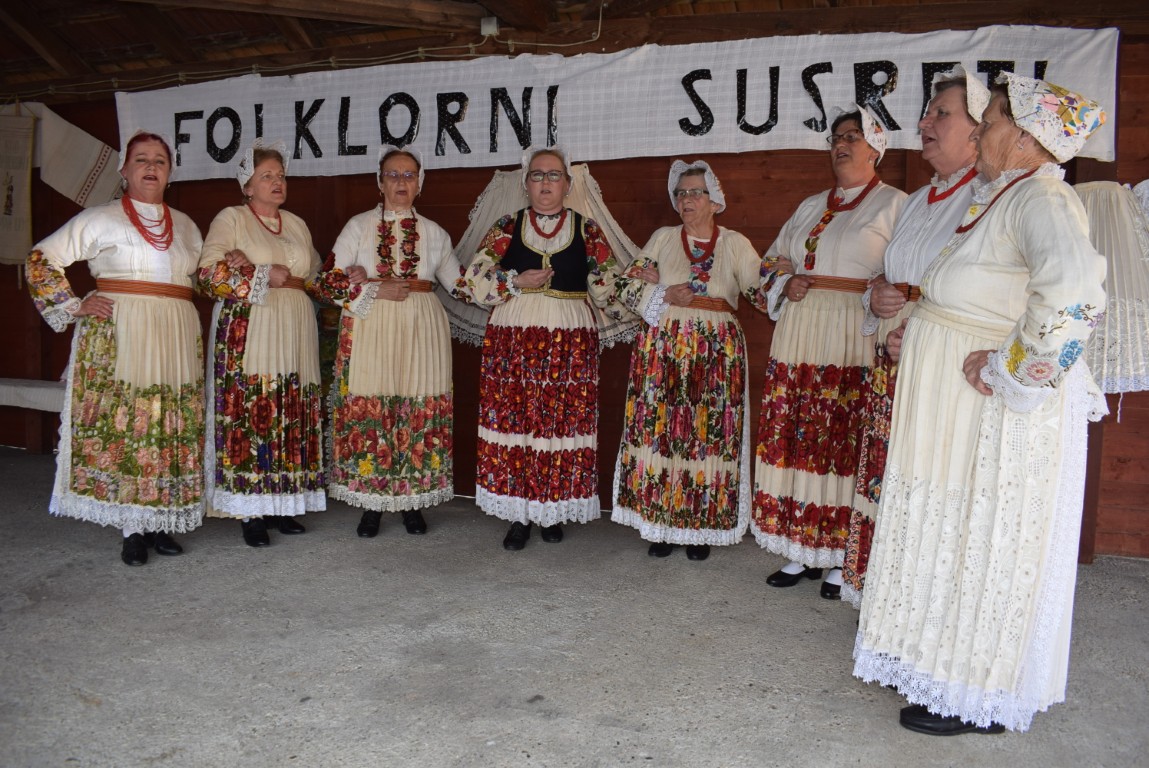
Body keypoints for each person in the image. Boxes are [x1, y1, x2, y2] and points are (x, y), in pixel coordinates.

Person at [853, 74, 1107, 735]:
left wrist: (1009, 369)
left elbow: (1075, 297)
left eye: (990, 120)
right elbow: (968, 290)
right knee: (948, 528)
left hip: (991, 409)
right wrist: (922, 317)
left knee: (986, 535)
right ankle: (939, 666)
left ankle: (979, 689)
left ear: (1023, 137)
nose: (982, 130)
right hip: (949, 401)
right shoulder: (1001, 195)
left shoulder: (1043, 201)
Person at [841, 66, 988, 606]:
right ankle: (888, 609)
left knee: (933, 494)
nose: (924, 122)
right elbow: (891, 279)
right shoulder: (921, 198)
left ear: (979, 129)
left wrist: (921, 333)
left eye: (940, 114)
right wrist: (876, 296)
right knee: (892, 487)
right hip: (895, 367)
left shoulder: (988, 197)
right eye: (926, 112)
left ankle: (925, 617)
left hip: (945, 375)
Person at [26, 131, 204, 566]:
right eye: (141, 159)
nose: (150, 167)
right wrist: (74, 303)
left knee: (170, 421)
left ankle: (162, 519)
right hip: (124, 329)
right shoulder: (100, 217)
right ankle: (132, 528)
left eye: (159, 161)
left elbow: (196, 278)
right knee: (132, 423)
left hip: (175, 331)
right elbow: (41, 258)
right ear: (124, 170)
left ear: (170, 172)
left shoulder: (185, 225)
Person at [751, 106, 907, 598]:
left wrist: (883, 300)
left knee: (841, 437)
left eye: (853, 136)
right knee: (799, 434)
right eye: (836, 137)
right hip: (800, 333)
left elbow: (908, 273)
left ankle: (843, 555)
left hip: (852, 335)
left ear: (876, 146)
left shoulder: (895, 205)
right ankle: (800, 547)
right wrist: (786, 279)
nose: (841, 144)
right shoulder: (810, 204)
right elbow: (771, 260)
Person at [467, 146, 631, 551]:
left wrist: (637, 286)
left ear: (568, 184)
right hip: (515, 335)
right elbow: (472, 281)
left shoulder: (586, 228)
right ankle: (520, 515)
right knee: (519, 420)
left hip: (568, 338)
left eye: (553, 175)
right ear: (525, 184)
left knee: (558, 422)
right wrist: (514, 283)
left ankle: (552, 509)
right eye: (538, 175)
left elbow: (608, 286)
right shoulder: (507, 225)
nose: (545, 183)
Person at [611, 160, 770, 561]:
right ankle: (661, 524)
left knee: (707, 436)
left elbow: (760, 291)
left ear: (715, 201)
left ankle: (701, 527)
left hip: (716, 354)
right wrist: (664, 293)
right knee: (664, 432)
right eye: (681, 193)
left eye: (695, 192)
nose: (687, 199)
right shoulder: (663, 239)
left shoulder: (734, 243)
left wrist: (784, 278)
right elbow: (627, 284)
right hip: (664, 349)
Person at [311, 146, 468, 537]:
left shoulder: (435, 234)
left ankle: (412, 501)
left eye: (409, 175)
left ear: (420, 183)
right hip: (371, 326)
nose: (401, 182)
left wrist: (512, 284)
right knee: (375, 402)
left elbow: (462, 285)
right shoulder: (358, 226)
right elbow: (324, 280)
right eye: (393, 175)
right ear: (379, 182)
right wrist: (374, 290)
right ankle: (372, 504)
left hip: (421, 328)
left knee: (416, 403)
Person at [197, 139, 325, 547]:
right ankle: (249, 509)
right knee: (255, 408)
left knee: (290, 408)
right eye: (267, 176)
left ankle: (282, 503)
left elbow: (317, 275)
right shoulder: (231, 218)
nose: (276, 182)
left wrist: (353, 281)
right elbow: (206, 274)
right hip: (252, 325)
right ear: (247, 185)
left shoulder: (298, 224)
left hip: (295, 325)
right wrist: (257, 273)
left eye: (281, 175)